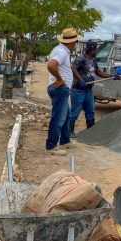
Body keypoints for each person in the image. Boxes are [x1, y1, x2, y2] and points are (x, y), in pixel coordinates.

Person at [69, 40, 120, 137]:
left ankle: (90, 131)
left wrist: (112, 76)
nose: (96, 51)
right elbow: (73, 68)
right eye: (95, 50)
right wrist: (80, 80)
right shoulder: (81, 58)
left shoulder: (93, 60)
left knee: (90, 111)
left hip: (88, 90)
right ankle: (70, 131)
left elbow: (99, 73)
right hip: (79, 89)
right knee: (75, 111)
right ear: (90, 50)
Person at [45, 27, 81, 155]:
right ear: (71, 42)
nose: (76, 44)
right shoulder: (62, 52)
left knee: (66, 115)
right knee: (58, 118)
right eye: (76, 41)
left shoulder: (59, 49)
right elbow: (51, 65)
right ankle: (51, 146)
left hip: (61, 89)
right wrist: (60, 79)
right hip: (60, 89)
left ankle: (65, 140)